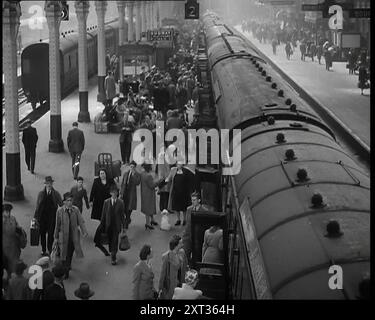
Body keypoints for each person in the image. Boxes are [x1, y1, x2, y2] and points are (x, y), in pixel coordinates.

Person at [54, 192, 88, 279]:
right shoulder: (60, 211)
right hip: (63, 237)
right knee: (63, 254)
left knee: (69, 253)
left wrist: (84, 231)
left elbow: (81, 221)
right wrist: (56, 237)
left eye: (71, 200)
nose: (70, 202)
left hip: (73, 237)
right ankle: (65, 269)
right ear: (64, 202)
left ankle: (66, 270)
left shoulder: (75, 210)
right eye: (68, 200)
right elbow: (57, 225)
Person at [34, 176, 63, 257]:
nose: (49, 185)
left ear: (52, 184)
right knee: (42, 234)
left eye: (50, 183)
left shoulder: (56, 194)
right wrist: (35, 217)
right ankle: (43, 250)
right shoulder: (41, 194)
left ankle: (50, 249)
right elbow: (37, 206)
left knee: (51, 234)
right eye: (47, 183)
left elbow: (61, 204)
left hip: (52, 217)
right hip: (42, 218)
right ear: (45, 184)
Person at [98, 184, 125, 265]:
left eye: (115, 192)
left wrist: (124, 226)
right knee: (110, 240)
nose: (114, 194)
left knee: (115, 241)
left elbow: (122, 215)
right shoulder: (106, 202)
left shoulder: (121, 202)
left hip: (116, 226)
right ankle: (112, 251)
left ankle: (113, 256)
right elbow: (103, 215)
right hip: (108, 225)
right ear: (110, 193)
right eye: (112, 192)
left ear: (117, 193)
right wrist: (102, 225)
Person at [158, 235, 188, 300]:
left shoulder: (182, 252)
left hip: (181, 282)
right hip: (171, 284)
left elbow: (185, 266)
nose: (182, 244)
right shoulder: (166, 256)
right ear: (176, 245)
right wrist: (160, 287)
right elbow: (163, 273)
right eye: (181, 243)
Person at [182, 192, 208, 264]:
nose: (192, 202)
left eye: (194, 200)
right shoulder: (189, 209)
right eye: (192, 200)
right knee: (185, 255)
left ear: (199, 200)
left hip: (198, 238)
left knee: (197, 257)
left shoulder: (204, 211)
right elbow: (187, 224)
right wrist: (184, 237)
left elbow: (205, 226)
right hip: (188, 237)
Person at [3, 204, 23, 277]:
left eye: (9, 211)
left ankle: (10, 279)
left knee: (12, 267)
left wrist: (19, 230)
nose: (8, 213)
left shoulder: (12, 218)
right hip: (4, 247)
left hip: (13, 247)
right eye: (6, 211)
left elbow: (17, 227)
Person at [120, 161, 141, 228]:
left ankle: (127, 221)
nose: (132, 168)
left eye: (133, 167)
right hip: (125, 193)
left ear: (135, 167)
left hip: (131, 193)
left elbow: (137, 183)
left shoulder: (137, 174)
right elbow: (123, 183)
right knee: (124, 207)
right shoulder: (126, 173)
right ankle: (127, 219)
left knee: (129, 208)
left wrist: (133, 175)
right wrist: (121, 192)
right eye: (131, 167)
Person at [140, 164, 160, 230]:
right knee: (149, 208)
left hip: (144, 193)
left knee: (148, 207)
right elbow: (152, 185)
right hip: (149, 193)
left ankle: (152, 220)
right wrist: (158, 181)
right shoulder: (148, 176)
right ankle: (148, 223)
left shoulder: (142, 174)